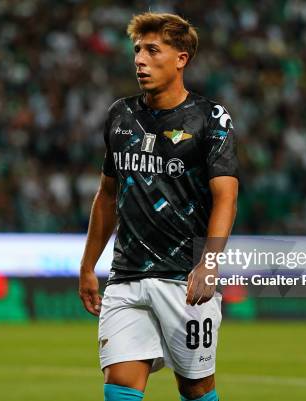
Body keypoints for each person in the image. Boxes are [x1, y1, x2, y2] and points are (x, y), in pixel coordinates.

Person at [79, 12, 239, 401]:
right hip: (126, 277)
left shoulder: (210, 119)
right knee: (120, 384)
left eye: (153, 50)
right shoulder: (121, 115)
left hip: (183, 280)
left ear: (181, 58)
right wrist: (87, 265)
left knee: (196, 387)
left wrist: (209, 264)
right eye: (137, 50)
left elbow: (226, 197)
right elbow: (107, 195)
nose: (140, 59)